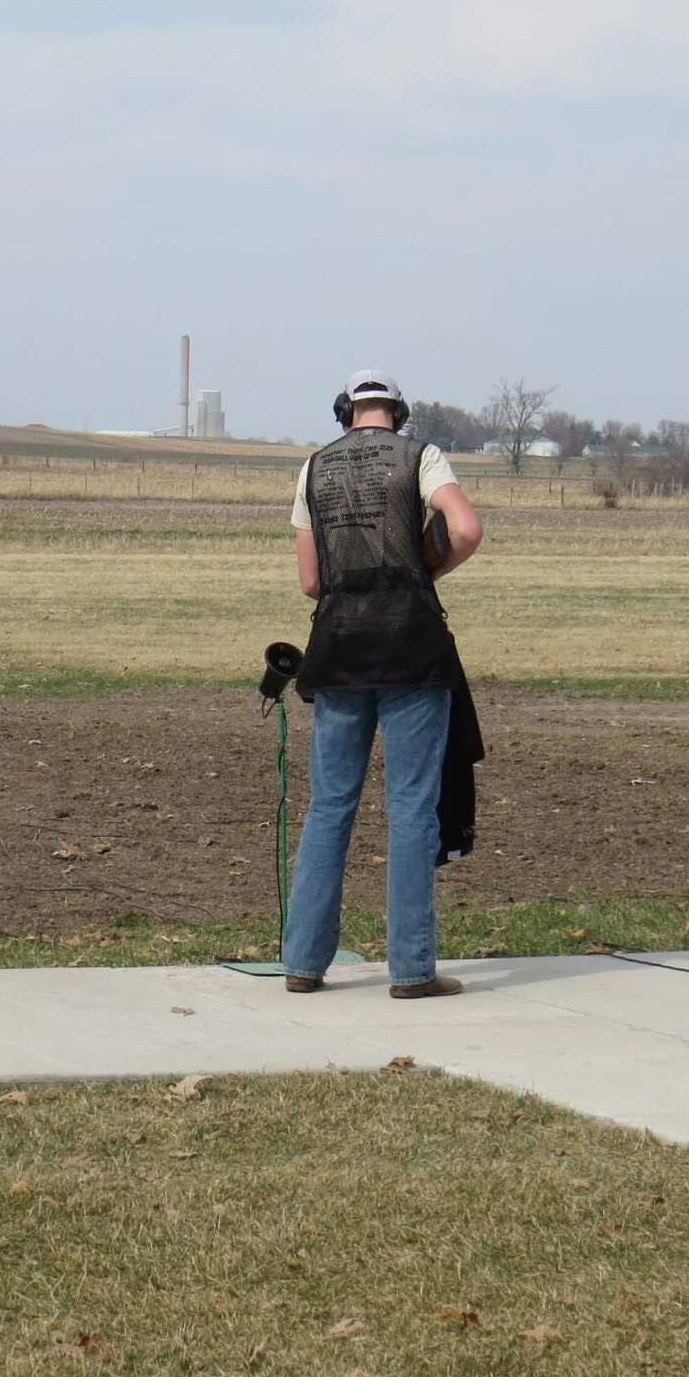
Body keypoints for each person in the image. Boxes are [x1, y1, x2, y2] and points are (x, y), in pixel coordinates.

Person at [282, 370, 484, 997]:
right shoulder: (421, 456)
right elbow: (468, 529)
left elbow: (311, 584)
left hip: (339, 649)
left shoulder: (313, 468)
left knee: (329, 807)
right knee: (411, 808)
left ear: (346, 412)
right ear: (398, 413)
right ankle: (412, 971)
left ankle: (304, 966)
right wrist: (428, 572)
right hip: (411, 648)